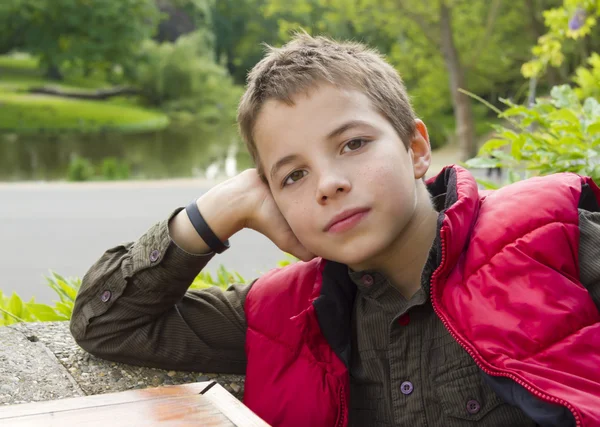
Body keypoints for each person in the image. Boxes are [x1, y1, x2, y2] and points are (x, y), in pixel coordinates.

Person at [70, 33, 600, 427]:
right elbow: (107, 322)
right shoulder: (292, 314)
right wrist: (221, 209)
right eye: (293, 175)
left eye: (352, 144)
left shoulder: (555, 242)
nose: (327, 184)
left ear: (416, 149)